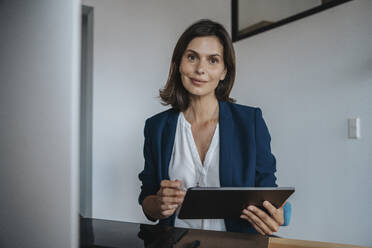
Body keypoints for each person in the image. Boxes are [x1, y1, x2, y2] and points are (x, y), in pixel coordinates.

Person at [138, 19, 291, 235]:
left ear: (224, 71)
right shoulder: (156, 127)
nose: (200, 69)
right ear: (178, 64)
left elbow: (268, 191)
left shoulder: (250, 121)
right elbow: (147, 200)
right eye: (192, 57)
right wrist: (159, 204)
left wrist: (276, 215)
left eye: (213, 60)